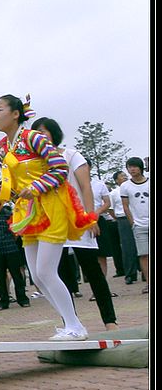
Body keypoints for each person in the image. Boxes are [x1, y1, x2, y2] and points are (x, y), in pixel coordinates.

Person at [0, 94, 95, 340]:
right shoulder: (2, 147)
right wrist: (2, 197)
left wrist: (37, 187)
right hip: (28, 212)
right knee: (37, 276)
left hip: (51, 206)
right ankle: (72, 323)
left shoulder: (34, 138)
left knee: (47, 271)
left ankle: (74, 326)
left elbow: (60, 168)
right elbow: (10, 181)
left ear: (16, 114)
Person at [33, 117, 119, 331]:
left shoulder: (71, 155)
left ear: (54, 133)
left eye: (44, 132)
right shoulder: (35, 163)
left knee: (93, 271)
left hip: (78, 221)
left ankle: (110, 321)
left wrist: (90, 217)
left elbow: (86, 187)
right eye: (36, 134)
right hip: (52, 224)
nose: (40, 137)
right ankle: (71, 324)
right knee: (59, 275)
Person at [0, 191, 30, 309]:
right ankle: (3, 301)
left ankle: (22, 299)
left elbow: (16, 228)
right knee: (0, 276)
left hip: (11, 249)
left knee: (16, 275)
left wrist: (12, 239)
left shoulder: (8, 213)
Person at [120, 157, 150, 295]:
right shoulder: (125, 186)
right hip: (139, 225)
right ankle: (149, 283)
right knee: (143, 254)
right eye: (129, 167)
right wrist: (133, 223)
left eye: (134, 166)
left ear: (141, 167)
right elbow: (125, 206)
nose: (132, 169)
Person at [111, 171, 140, 284]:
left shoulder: (132, 188)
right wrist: (119, 219)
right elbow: (111, 209)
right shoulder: (114, 193)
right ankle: (130, 274)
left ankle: (144, 271)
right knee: (128, 247)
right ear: (116, 180)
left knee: (141, 245)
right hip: (123, 219)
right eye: (121, 176)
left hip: (136, 217)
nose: (124, 177)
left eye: (125, 175)